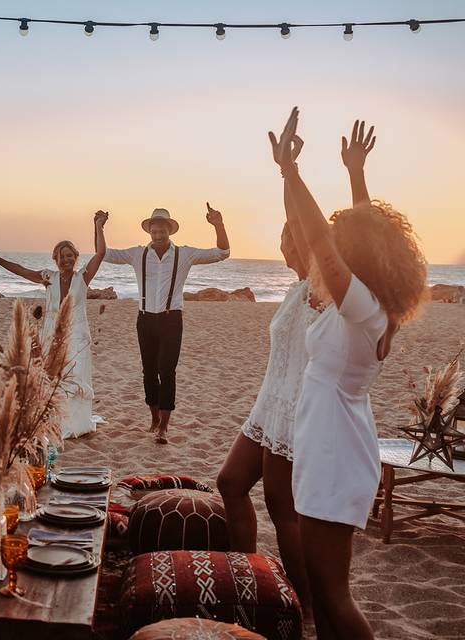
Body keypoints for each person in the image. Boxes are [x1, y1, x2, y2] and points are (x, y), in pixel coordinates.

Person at [270, 107, 427, 639]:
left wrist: (291, 173)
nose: (330, 247)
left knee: (334, 598)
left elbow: (323, 244)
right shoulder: (374, 303)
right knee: (327, 587)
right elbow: (369, 236)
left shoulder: (361, 307)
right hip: (333, 444)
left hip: (334, 455)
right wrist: (356, 176)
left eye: (344, 241)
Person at [216, 119, 379, 620]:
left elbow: (349, 236)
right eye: (283, 237)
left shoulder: (326, 291)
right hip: (271, 404)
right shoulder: (295, 290)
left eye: (293, 237)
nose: (285, 242)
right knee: (230, 483)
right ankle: (255, 578)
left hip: (302, 414)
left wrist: (308, 174)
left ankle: (300, 603)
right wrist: (287, 169)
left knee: (282, 509)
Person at [104, 205, 230, 443]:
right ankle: (153, 418)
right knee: (149, 372)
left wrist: (218, 225)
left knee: (167, 371)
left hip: (172, 319)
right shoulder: (137, 254)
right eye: (155, 226)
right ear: (149, 230)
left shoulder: (185, 254)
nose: (158, 230)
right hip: (145, 319)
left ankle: (164, 426)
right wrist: (98, 228)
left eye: (163, 226)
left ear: (169, 230)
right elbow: (105, 253)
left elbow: (223, 252)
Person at [0, 211, 109, 439]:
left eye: (70, 255)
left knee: (76, 374)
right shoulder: (48, 277)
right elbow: (21, 271)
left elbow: (101, 253)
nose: (67, 259)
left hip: (77, 334)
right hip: (51, 333)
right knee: (54, 376)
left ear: (76, 257)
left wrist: (98, 225)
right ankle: (57, 421)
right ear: (55, 259)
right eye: (62, 256)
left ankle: (76, 423)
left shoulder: (83, 277)